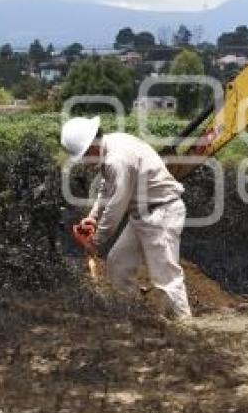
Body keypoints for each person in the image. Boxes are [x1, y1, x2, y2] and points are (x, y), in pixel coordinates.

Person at [61, 116, 192, 320]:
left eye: (85, 155)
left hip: (161, 214)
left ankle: (185, 327)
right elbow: (107, 188)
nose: (85, 161)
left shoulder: (117, 159)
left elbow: (116, 205)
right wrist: (93, 217)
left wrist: (95, 241)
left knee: (165, 277)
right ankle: (134, 315)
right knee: (118, 264)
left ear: (92, 146)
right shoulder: (111, 146)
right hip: (142, 215)